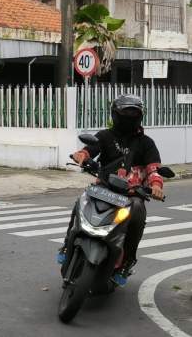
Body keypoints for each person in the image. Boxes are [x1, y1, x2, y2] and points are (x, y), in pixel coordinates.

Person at [57, 94, 165, 286]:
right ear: (115, 114)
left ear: (140, 116)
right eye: (125, 112)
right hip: (104, 188)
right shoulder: (105, 136)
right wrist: (82, 155)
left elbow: (154, 169)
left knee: (139, 213)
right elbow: (91, 148)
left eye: (134, 113)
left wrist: (156, 185)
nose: (129, 116)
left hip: (131, 194)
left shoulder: (147, 143)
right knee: (81, 201)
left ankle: (127, 260)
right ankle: (67, 244)